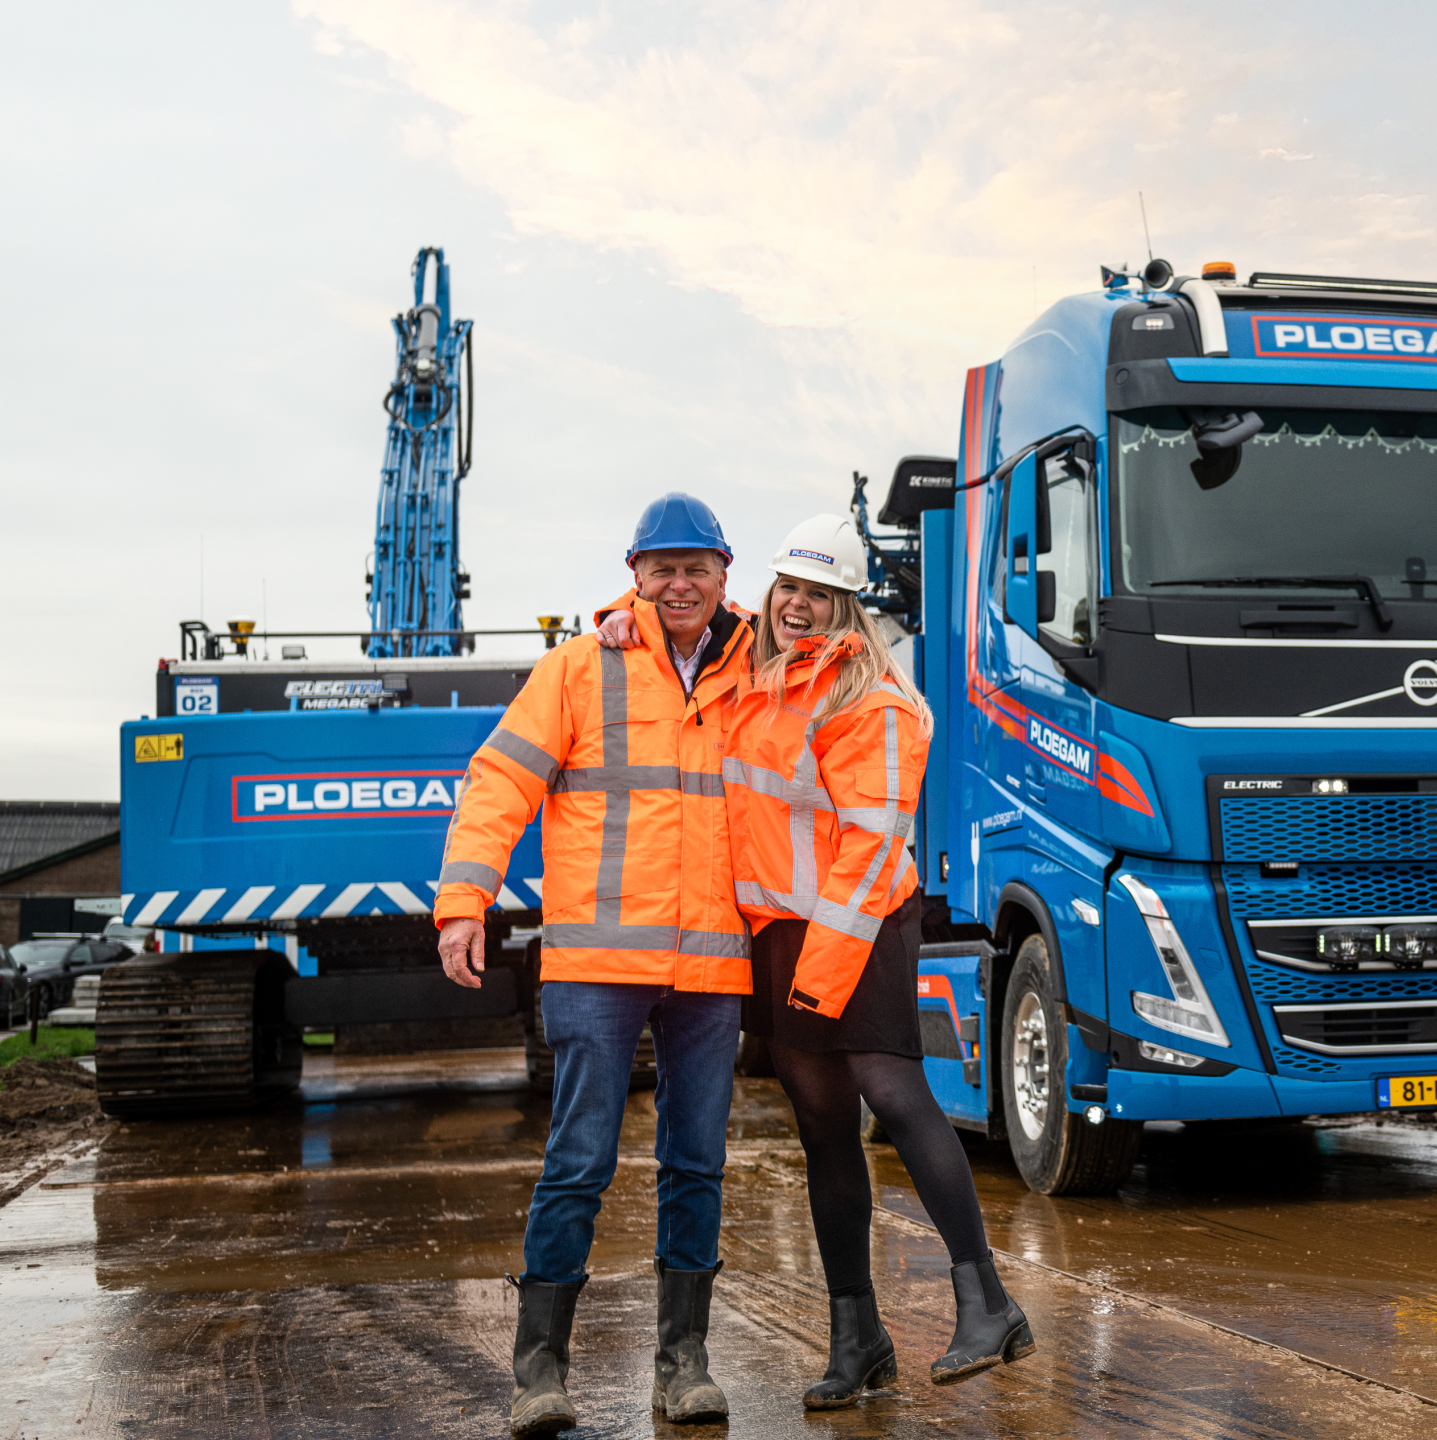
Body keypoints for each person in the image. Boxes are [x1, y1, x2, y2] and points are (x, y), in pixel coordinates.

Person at [434, 492, 756, 1437]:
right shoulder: (579, 669)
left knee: (696, 1164)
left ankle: (684, 1365)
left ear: (724, 575)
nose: (680, 584)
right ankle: (539, 1372)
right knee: (579, 1162)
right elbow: (498, 783)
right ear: (634, 576)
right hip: (597, 965)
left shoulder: (756, 673)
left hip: (711, 969)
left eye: (697, 568)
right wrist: (464, 903)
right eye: (663, 569)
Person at [723, 512, 1032, 1409]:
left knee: (894, 1095)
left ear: (849, 605)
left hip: (857, 927)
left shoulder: (875, 703)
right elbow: (685, 615)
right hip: (781, 930)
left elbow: (866, 852)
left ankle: (988, 1302)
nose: (798, 605)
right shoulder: (765, 675)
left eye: (820, 593)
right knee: (822, 1126)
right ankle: (856, 1335)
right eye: (788, 587)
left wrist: (819, 978)